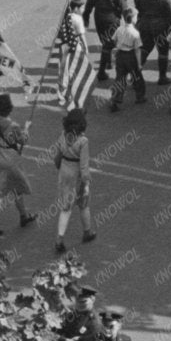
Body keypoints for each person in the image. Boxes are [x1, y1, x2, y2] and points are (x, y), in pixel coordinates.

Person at [0, 94, 39, 234]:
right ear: (9, 109)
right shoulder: (13, 126)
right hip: (11, 159)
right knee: (17, 188)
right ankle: (23, 216)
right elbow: (23, 140)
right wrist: (26, 128)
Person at [51, 106, 95, 252]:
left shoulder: (63, 135)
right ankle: (87, 232)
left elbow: (57, 155)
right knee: (83, 203)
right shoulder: (83, 141)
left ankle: (60, 238)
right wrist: (86, 182)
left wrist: (58, 166)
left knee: (65, 207)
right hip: (76, 174)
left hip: (64, 171)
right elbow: (84, 166)